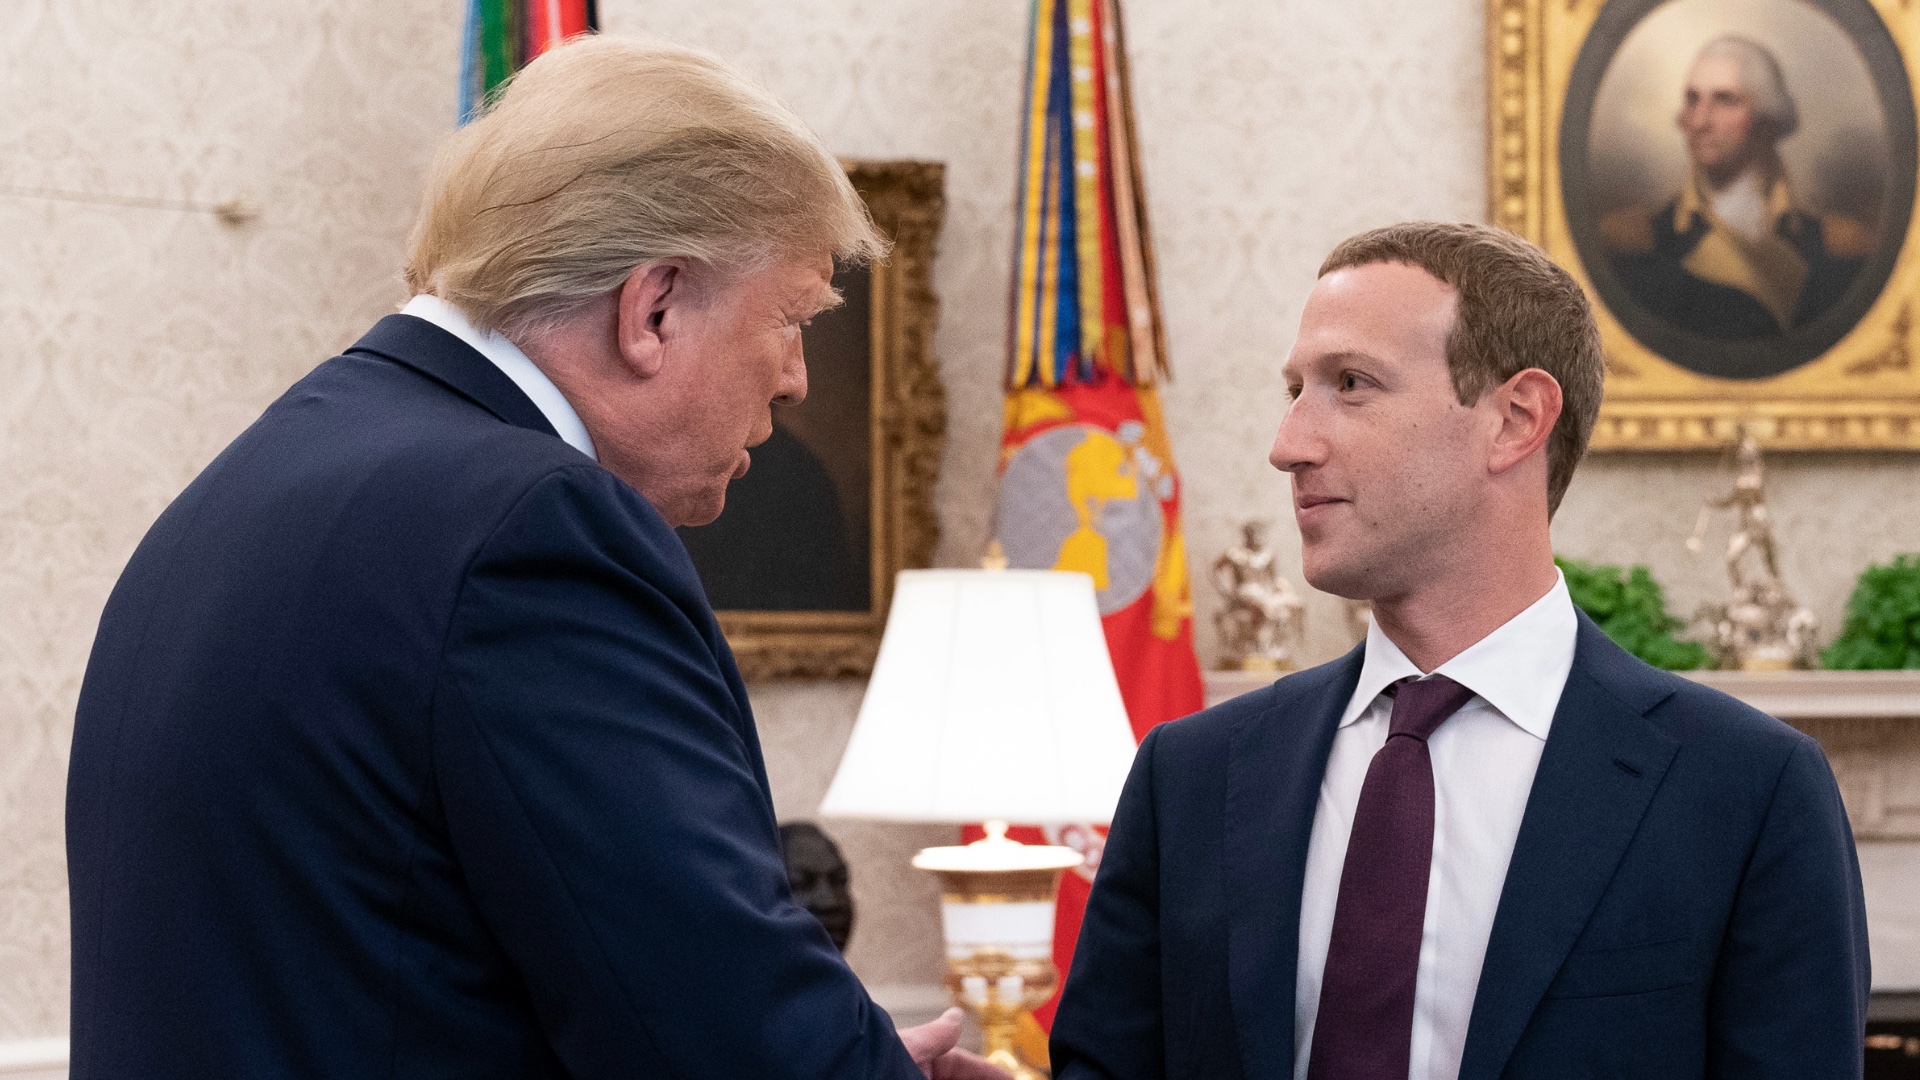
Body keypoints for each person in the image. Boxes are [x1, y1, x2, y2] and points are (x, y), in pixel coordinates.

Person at [66, 35, 1001, 1080]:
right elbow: (710, 1033)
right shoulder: (531, 531)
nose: (795, 381)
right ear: (652, 307)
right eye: (788, 321)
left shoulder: (258, 477)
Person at [1050, 222, 1868, 1079]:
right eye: (1295, 389)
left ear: (1515, 420)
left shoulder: (1747, 791)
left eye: (1350, 385)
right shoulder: (1191, 776)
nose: (1288, 444)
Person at [1603, 35, 1868, 341]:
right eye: (1692, 99)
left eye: (1724, 100)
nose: (1699, 121)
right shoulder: (1637, 243)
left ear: (1765, 119)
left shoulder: (1837, 246)